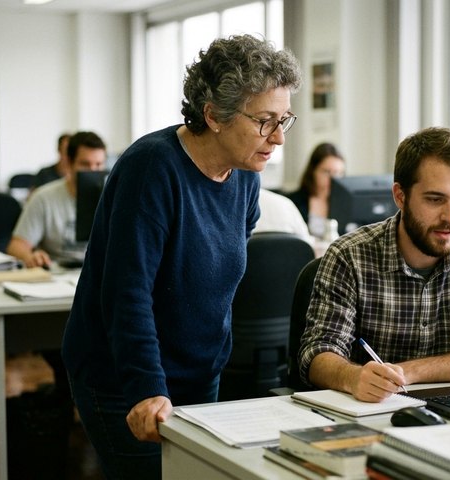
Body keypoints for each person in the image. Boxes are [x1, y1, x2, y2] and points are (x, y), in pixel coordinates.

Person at [60, 35, 302, 479]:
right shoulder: (151, 168)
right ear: (213, 116)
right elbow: (127, 294)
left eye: (284, 118)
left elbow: (218, 273)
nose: (279, 138)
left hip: (199, 372)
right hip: (124, 378)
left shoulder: (245, 173)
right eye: (265, 121)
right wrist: (147, 389)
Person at [298, 127, 450, 402]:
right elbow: (317, 354)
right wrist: (352, 377)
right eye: (435, 199)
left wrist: (408, 371)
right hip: (371, 413)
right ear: (400, 196)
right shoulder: (349, 255)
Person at [6, 131, 106, 268]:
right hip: (59, 272)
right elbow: (16, 246)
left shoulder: (113, 198)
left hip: (100, 273)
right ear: (69, 163)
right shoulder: (43, 198)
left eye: (99, 164)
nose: (93, 171)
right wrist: (30, 256)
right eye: (85, 164)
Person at [286, 142, 345, 238]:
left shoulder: (345, 203)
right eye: (327, 172)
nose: (333, 179)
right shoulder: (293, 201)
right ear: (313, 171)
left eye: (338, 173)